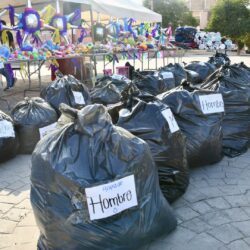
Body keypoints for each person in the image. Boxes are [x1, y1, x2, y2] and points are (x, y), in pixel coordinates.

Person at [0, 20, 16, 90]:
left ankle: (10, 84)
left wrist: (14, 51)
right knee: (4, 69)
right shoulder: (0, 33)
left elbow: (12, 43)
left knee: (7, 68)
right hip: (2, 53)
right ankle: (10, 82)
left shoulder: (8, 33)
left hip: (7, 53)